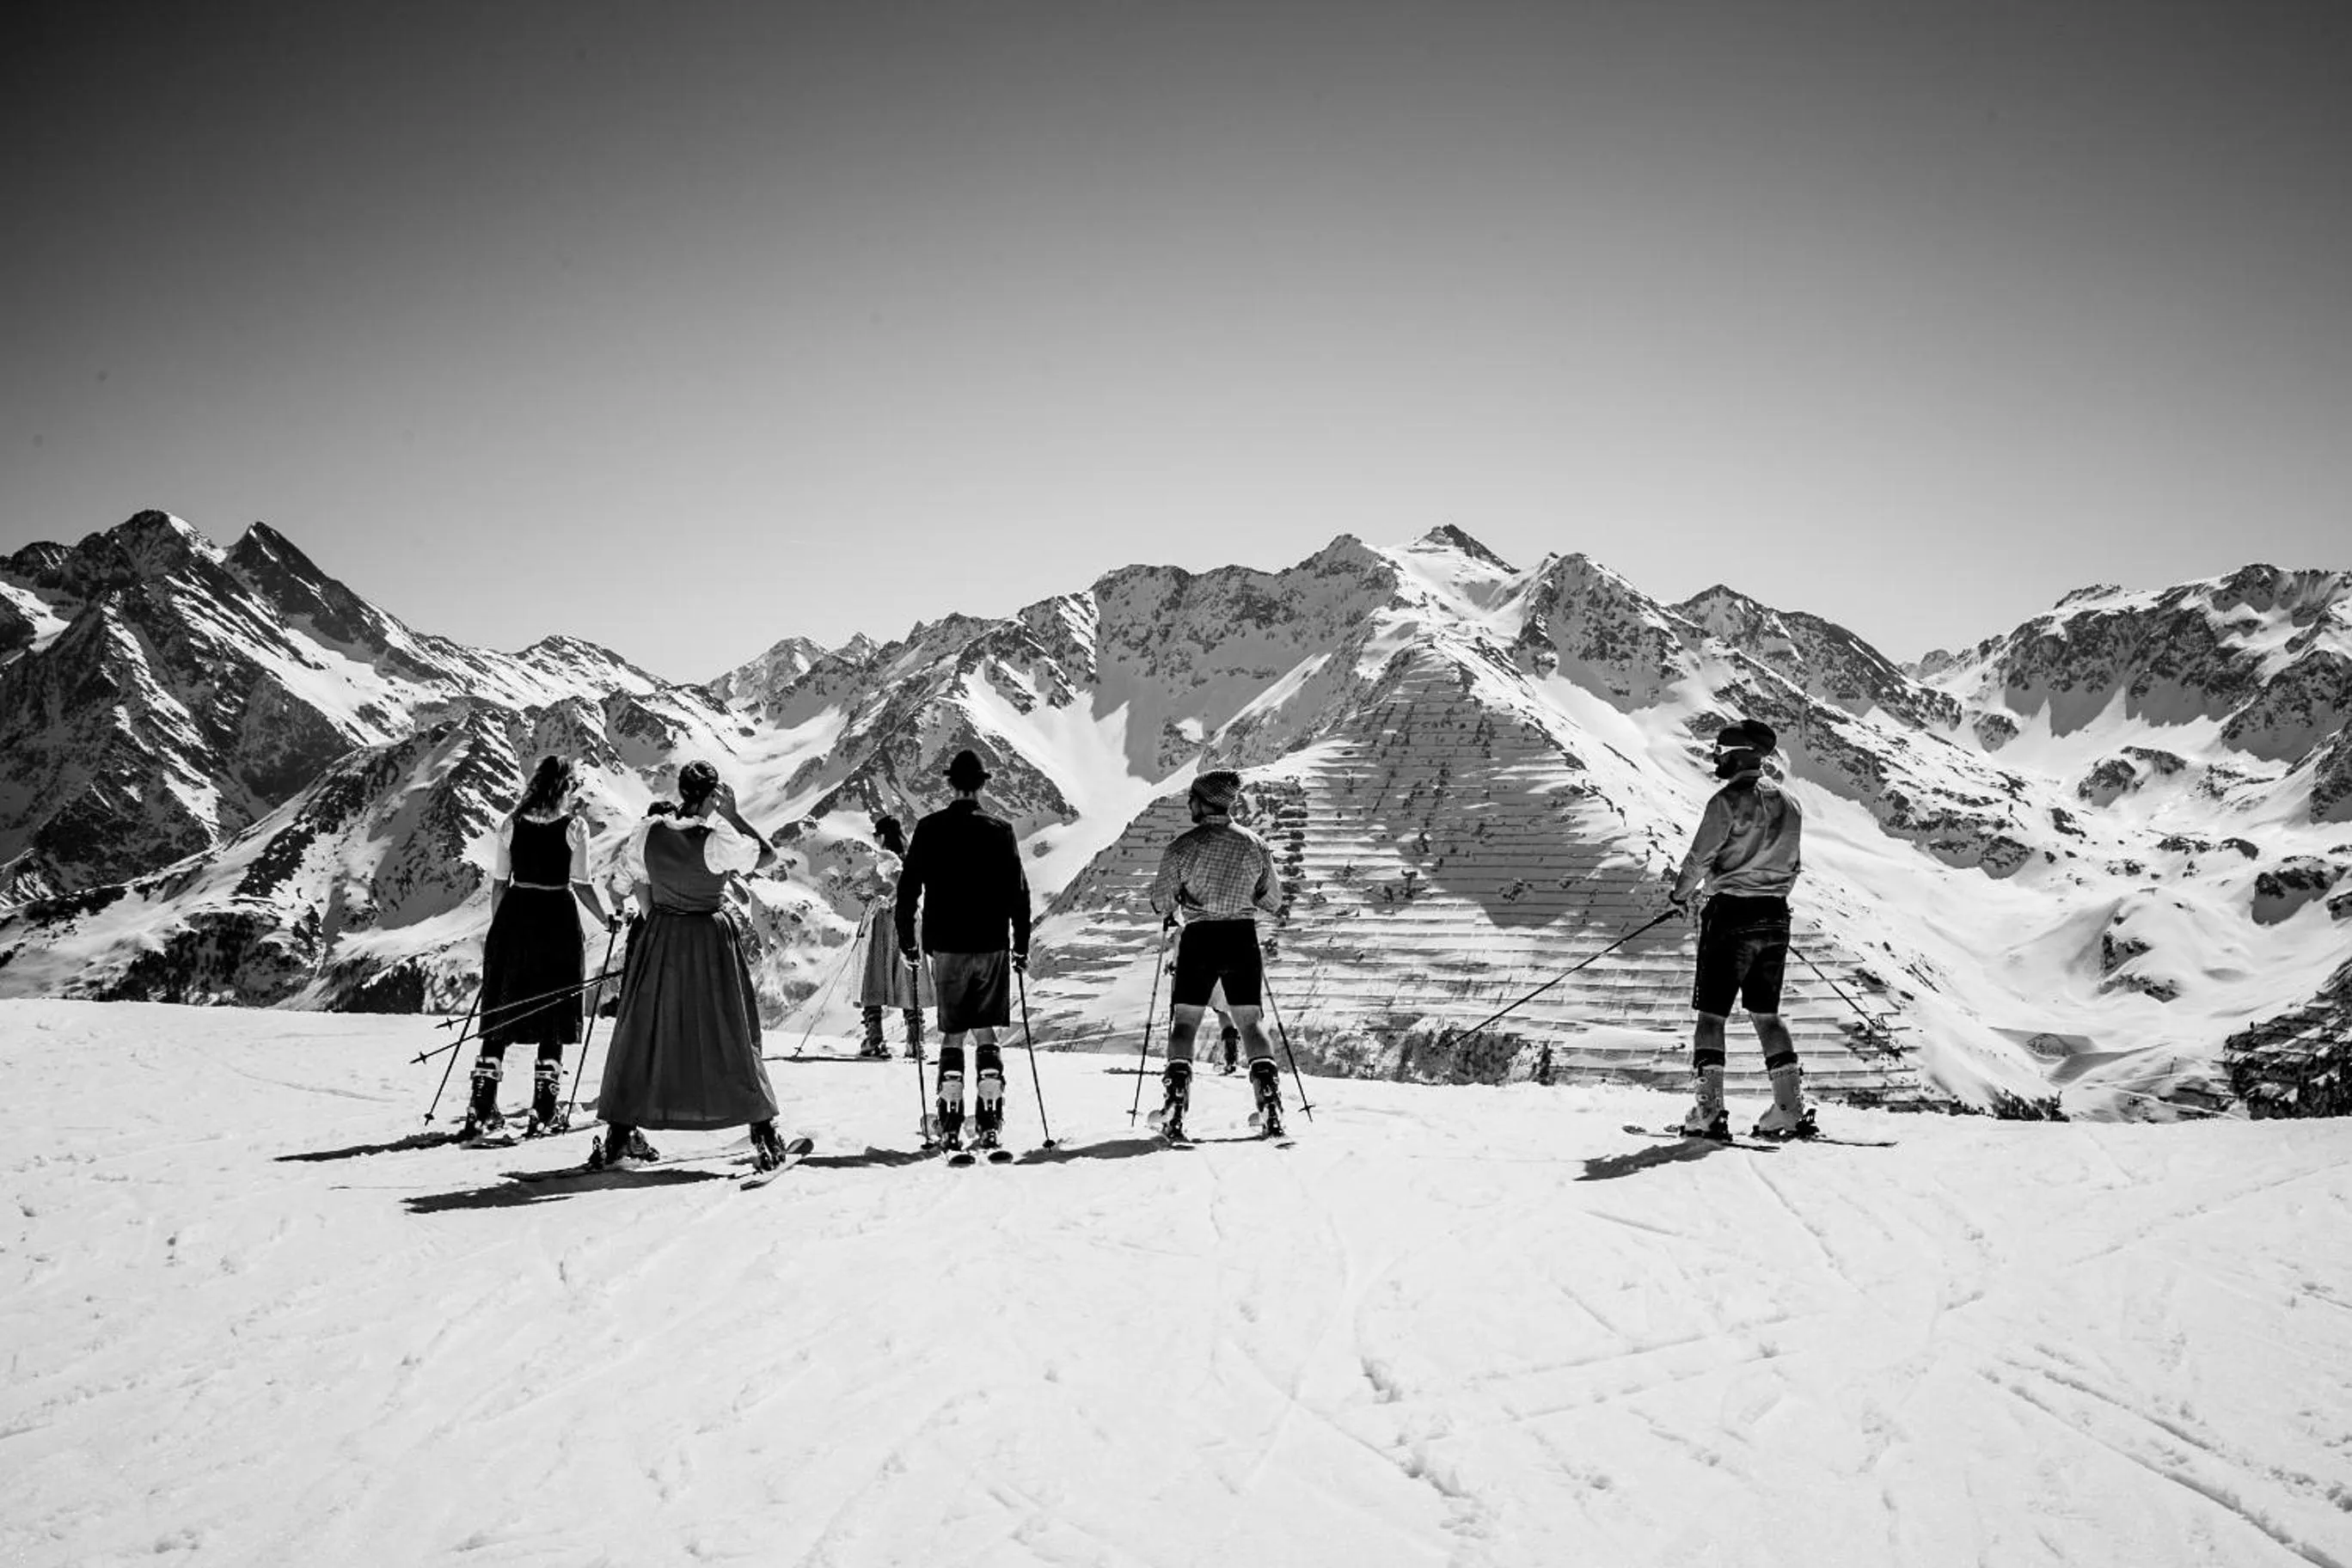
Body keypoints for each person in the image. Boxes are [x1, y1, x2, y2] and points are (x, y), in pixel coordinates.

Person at [591, 762, 796, 1172]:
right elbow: (768, 856)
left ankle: (618, 1133)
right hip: (708, 937)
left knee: (644, 1030)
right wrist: (734, 814)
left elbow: (623, 883)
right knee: (730, 1029)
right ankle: (763, 1129)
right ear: (713, 794)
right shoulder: (717, 839)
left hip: (662, 937)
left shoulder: (649, 832)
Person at [1668, 719, 1812, 1141]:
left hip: (1730, 915)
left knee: (1712, 1015)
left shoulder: (1726, 802)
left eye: (1720, 752)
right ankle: (1788, 1109)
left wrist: (1680, 895)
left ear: (1735, 756)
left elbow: (1699, 859)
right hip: (1776, 916)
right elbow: (1794, 864)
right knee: (1767, 1014)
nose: (1716, 759)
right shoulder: (1791, 804)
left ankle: (1708, 1112)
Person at [467, 755, 620, 1140]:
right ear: (564, 788)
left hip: (515, 915)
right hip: (557, 918)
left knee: (502, 1006)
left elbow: (501, 882)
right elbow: (581, 884)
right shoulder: (574, 828)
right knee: (556, 1003)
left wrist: (501, 930)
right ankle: (544, 1109)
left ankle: (481, 1106)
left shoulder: (512, 824)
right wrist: (607, 920)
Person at [894, 749, 1032, 1155]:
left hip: (947, 945)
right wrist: (1020, 945)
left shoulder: (929, 828)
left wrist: (908, 942)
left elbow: (908, 891)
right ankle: (990, 1121)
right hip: (991, 944)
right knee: (986, 1029)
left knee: (953, 1031)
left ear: (950, 783)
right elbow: (1018, 894)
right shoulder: (1001, 829)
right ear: (982, 785)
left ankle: (950, 1121)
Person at [1146, 770, 1286, 1139]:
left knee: (1185, 1024)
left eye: (1192, 797)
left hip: (1200, 938)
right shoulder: (1255, 844)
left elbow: (1161, 901)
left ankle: (1175, 1102)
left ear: (1204, 801)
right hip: (1241, 937)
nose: (1189, 803)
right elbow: (1273, 900)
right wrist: (1242, 896)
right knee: (1251, 1024)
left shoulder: (1183, 846)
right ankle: (1269, 1101)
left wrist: (1179, 904)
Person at [854, 814, 927, 1059]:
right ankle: (915, 1041)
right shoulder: (912, 857)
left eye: (876, 835)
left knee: (875, 975)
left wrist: (889, 899)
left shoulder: (886, 857)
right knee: (909, 976)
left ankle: (874, 1038)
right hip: (912, 921)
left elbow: (898, 882)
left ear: (883, 836)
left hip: (888, 920)